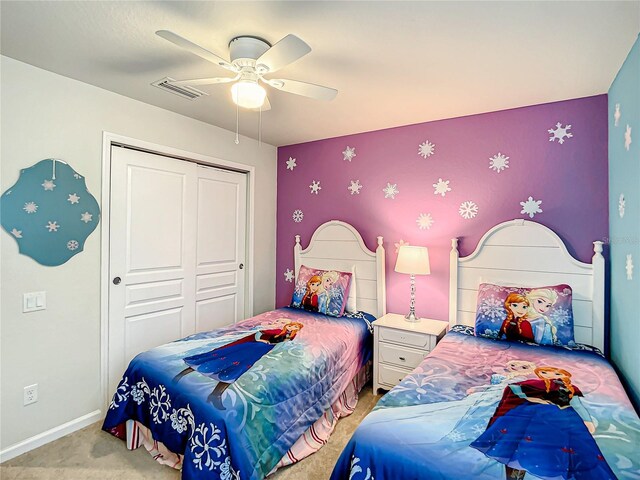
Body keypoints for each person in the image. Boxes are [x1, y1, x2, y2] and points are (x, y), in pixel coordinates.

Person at [471, 366, 615, 480]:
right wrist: (536, 400)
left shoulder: (571, 389)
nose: (551, 376)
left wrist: (587, 420)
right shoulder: (540, 385)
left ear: (566, 376)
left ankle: (555, 471)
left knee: (566, 450)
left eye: (557, 374)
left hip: (564, 419)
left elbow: (578, 406)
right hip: (536, 416)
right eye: (545, 372)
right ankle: (516, 474)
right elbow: (515, 388)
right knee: (521, 445)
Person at [173, 320, 304, 409]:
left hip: (256, 354)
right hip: (250, 347)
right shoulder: (276, 330)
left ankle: (215, 395)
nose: (293, 328)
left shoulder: (288, 337)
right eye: (293, 326)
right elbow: (258, 334)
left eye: (296, 328)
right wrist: (265, 342)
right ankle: (181, 374)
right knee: (218, 359)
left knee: (236, 370)